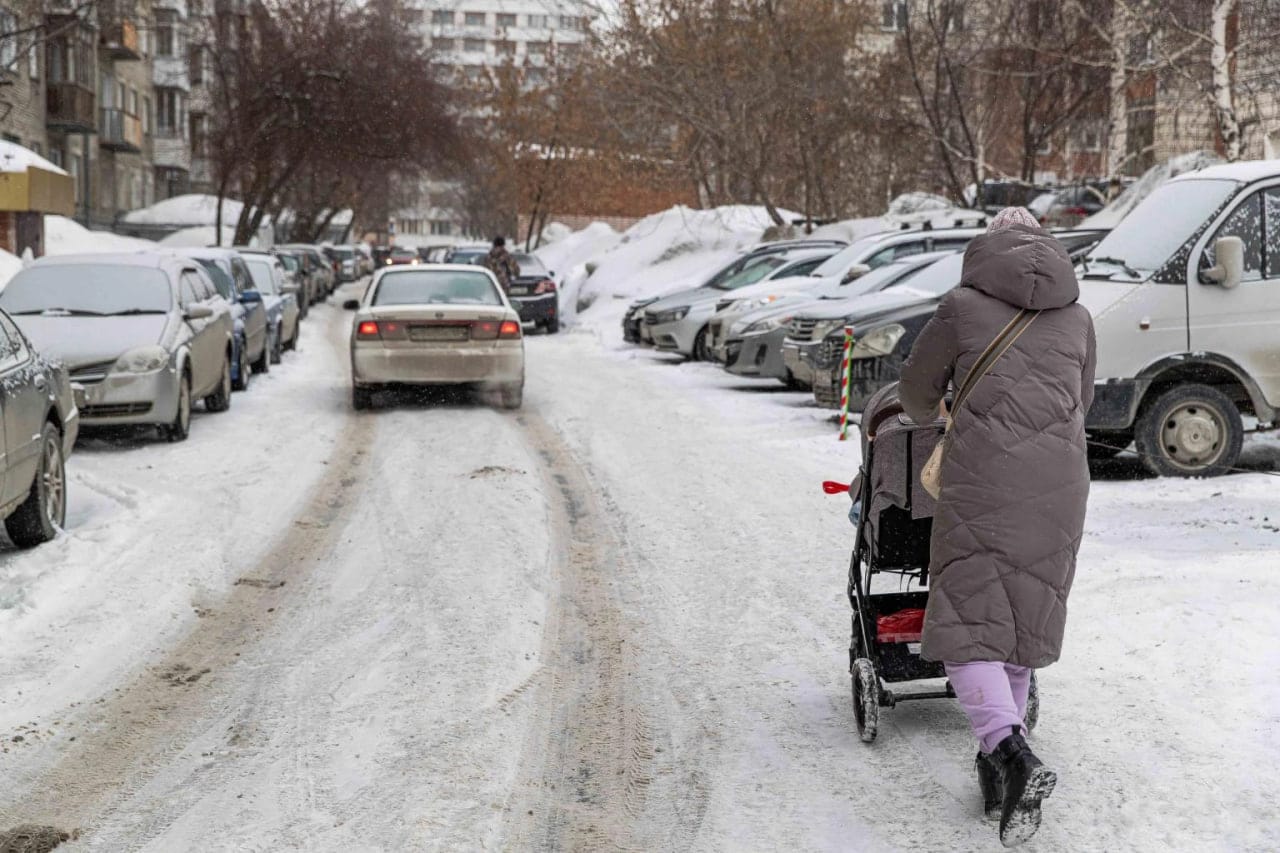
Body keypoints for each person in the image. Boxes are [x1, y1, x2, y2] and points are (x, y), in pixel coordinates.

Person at [897, 206, 1096, 847]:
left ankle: (1011, 751)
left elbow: (916, 390)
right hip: (1061, 485)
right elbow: (1081, 401)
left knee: (967, 630)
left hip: (985, 481)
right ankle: (1000, 777)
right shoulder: (1079, 316)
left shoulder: (961, 305)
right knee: (1017, 627)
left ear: (988, 246)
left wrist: (936, 412)